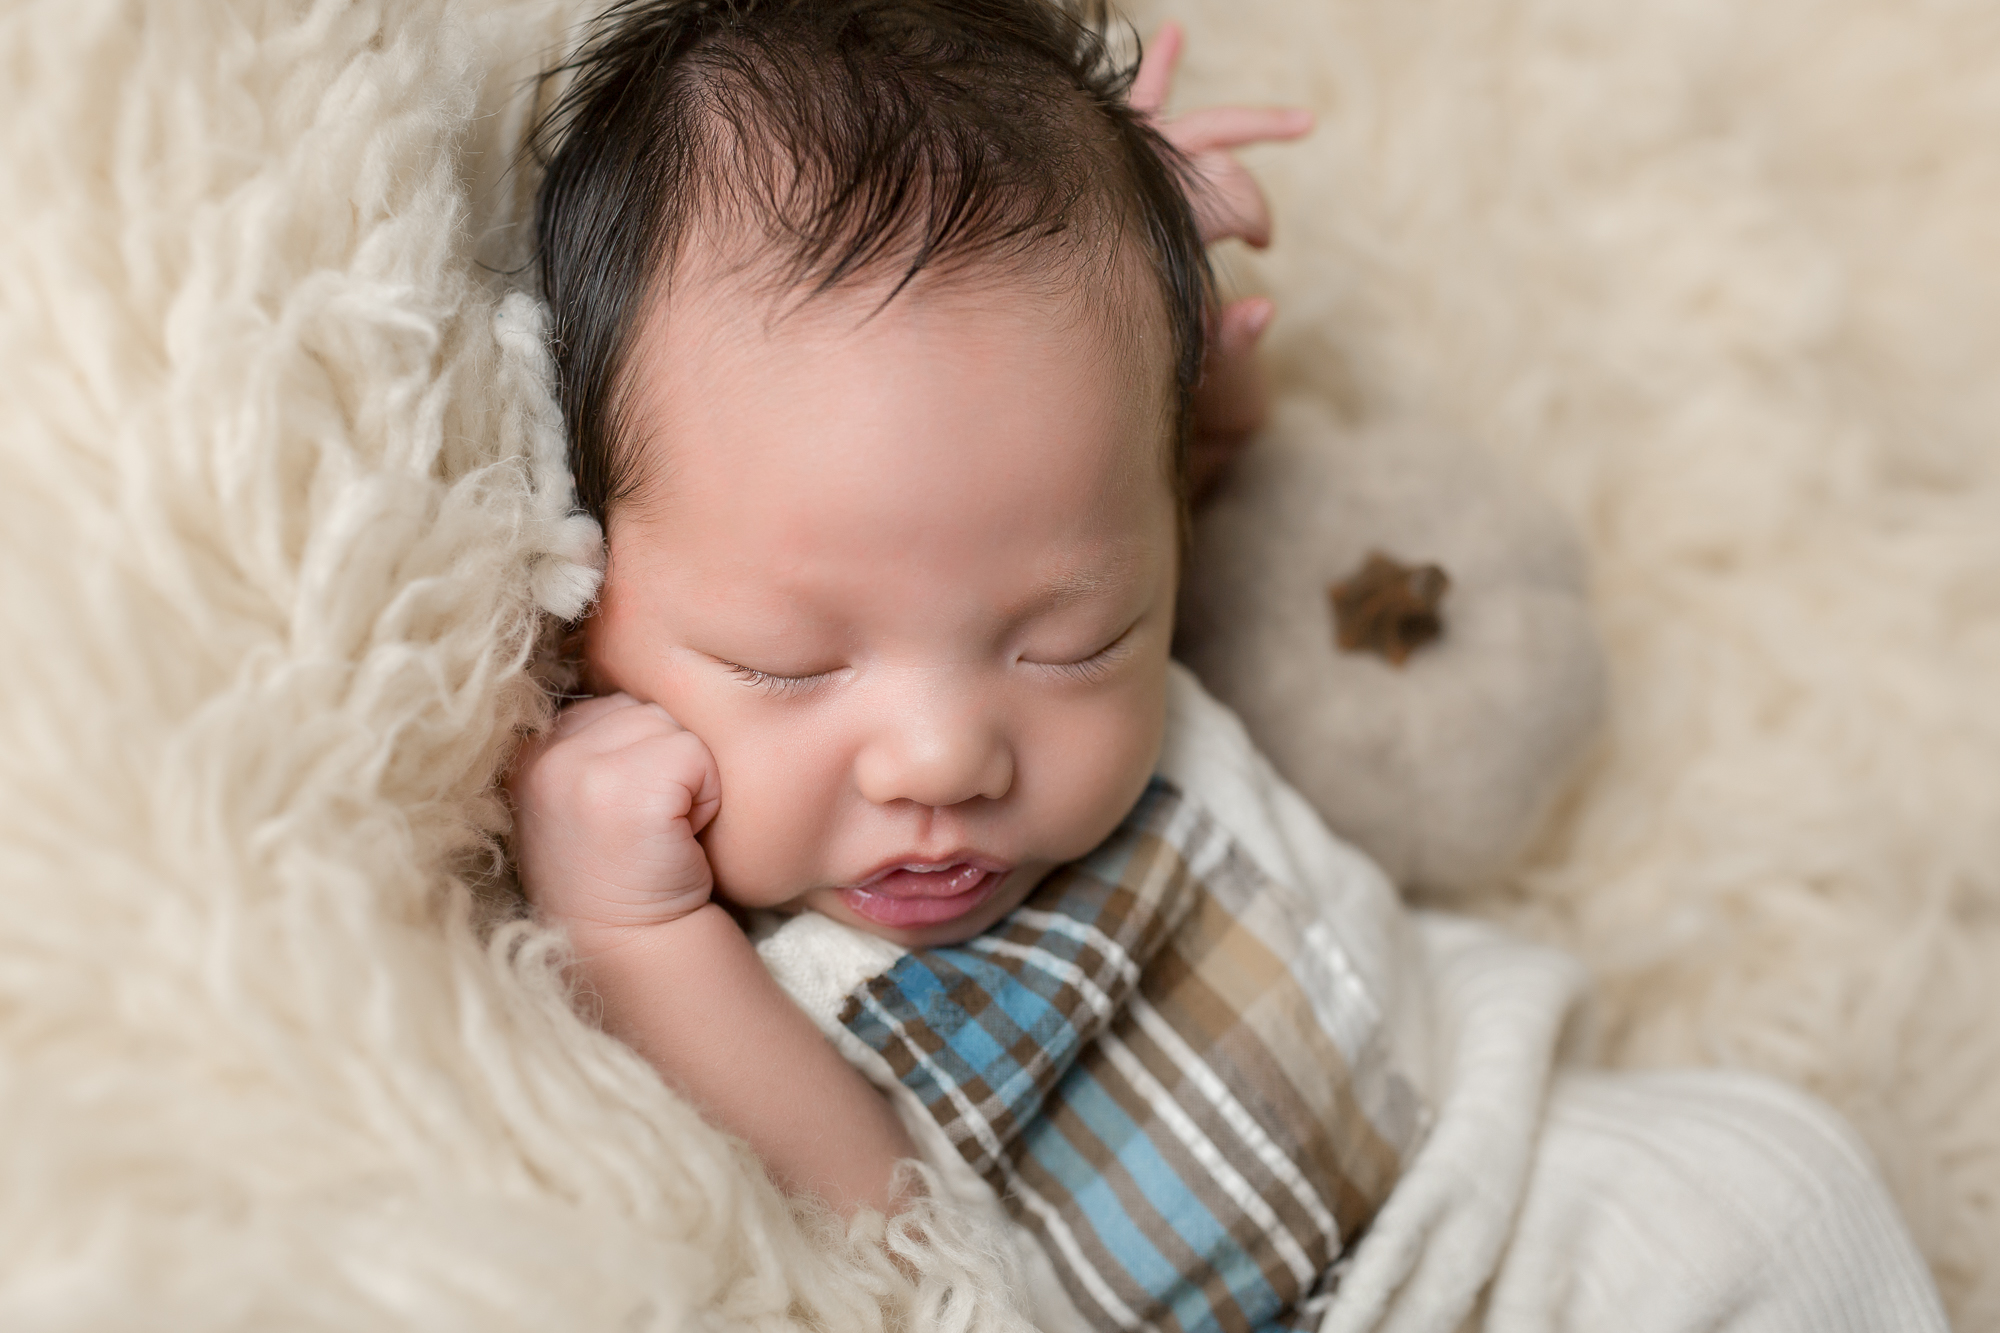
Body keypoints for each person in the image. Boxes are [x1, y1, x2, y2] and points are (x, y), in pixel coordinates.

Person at [507, 2, 1949, 1329]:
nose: (945, 756)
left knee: (1787, 1183)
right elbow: (877, 1221)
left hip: (1493, 1175)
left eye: (1069, 640)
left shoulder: (1104, 525)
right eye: (790, 662)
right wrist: (630, 928)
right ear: (590, 586)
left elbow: (1182, 482)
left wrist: (1154, 321)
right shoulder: (733, 954)